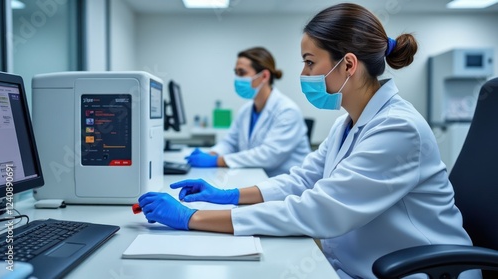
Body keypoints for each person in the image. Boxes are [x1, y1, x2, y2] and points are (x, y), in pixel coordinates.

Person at [138, 3, 478, 279]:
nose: (303, 75)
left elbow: (319, 210)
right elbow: (301, 180)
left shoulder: (398, 129)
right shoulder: (349, 122)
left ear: (348, 65)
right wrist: (228, 195)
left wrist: (192, 217)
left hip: (418, 272)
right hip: (357, 265)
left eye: (310, 63)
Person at [185, 47, 311, 177]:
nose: (237, 78)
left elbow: (269, 155)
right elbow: (230, 142)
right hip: (257, 178)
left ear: (264, 76)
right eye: (236, 72)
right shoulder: (246, 110)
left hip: (287, 186)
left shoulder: (287, 111)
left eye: (242, 72)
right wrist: (212, 154)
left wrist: (219, 161)